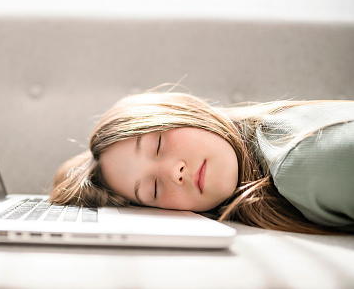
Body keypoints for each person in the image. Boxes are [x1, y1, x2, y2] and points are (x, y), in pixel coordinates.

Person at [50, 90, 354, 234]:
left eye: (158, 144)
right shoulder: (274, 132)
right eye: (154, 190)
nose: (173, 171)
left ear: (184, 112)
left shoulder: (303, 166)